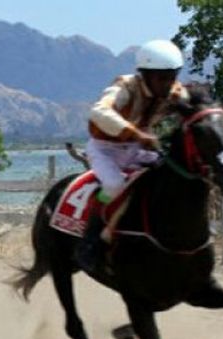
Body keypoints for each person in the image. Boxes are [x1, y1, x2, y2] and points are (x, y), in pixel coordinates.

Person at [76, 39, 189, 271]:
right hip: (104, 149)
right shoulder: (124, 87)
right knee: (115, 185)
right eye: (161, 78)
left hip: (137, 150)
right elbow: (99, 111)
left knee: (171, 178)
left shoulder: (176, 92)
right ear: (145, 75)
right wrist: (136, 134)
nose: (167, 84)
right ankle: (91, 239)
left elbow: (192, 110)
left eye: (171, 76)